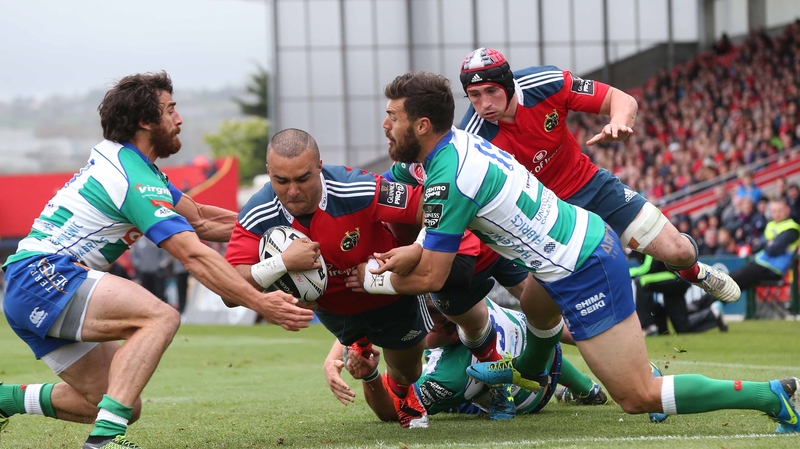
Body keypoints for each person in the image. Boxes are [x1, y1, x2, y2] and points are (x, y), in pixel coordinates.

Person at [349, 71, 798, 433]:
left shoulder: (450, 174)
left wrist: (362, 280)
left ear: (422, 125)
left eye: (392, 117)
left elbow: (431, 276)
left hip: (581, 265)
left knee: (637, 395)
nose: (385, 125)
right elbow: (422, 232)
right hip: (568, 248)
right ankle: (523, 369)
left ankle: (766, 396)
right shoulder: (459, 144)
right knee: (534, 307)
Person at [0, 71, 314, 449]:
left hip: (30, 284)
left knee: (116, 402)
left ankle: (5, 399)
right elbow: (193, 254)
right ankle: (104, 441)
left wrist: (278, 230)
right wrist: (261, 303)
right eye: (170, 110)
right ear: (145, 122)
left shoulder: (137, 168)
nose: (179, 119)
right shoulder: (133, 178)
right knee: (160, 316)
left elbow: (201, 219)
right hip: (45, 275)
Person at [456, 47, 740, 304]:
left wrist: (618, 123)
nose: (484, 103)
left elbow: (621, 99)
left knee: (680, 251)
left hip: (590, 186)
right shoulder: (472, 141)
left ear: (508, 84)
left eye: (491, 91)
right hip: (543, 219)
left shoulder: (545, 84)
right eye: (475, 95)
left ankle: (695, 273)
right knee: (547, 312)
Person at [224, 128, 434, 429]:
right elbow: (230, 291)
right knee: (388, 413)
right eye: (281, 181)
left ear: (319, 167)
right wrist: (283, 262)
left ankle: (400, 386)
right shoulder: (257, 212)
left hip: (391, 295)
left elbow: (431, 209)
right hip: (334, 310)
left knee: (409, 372)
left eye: (303, 179)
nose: (292, 191)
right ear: (269, 172)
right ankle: (361, 350)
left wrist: (414, 250)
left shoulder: (358, 188)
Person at [323, 295, 608, 423]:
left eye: (422, 323)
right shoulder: (468, 301)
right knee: (540, 342)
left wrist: (371, 375)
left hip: (524, 400)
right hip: (546, 354)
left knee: (453, 397)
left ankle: (579, 387)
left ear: (445, 327)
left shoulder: (451, 375)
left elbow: (391, 412)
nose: (415, 326)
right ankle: (587, 388)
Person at [694, 197, 800, 313]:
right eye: (774, 211)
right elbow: (757, 246)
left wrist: (766, 244)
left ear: (787, 210)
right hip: (760, 265)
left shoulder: (791, 228)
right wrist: (768, 243)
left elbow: (772, 250)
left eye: (780, 210)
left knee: (730, 281)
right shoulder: (771, 224)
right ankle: (708, 307)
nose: (777, 214)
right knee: (729, 282)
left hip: (772, 270)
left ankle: (699, 306)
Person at [630, 253, 727, 336]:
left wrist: (626, 273)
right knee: (683, 328)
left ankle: (649, 326)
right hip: (676, 281)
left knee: (642, 281)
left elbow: (646, 268)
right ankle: (714, 313)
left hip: (676, 277)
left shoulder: (649, 241)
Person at [129, 236, 171, 303]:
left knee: (160, 294)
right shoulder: (139, 241)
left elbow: (165, 255)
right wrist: (140, 266)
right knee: (146, 295)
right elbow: (134, 255)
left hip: (157, 273)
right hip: (144, 273)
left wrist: (160, 266)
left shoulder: (157, 239)